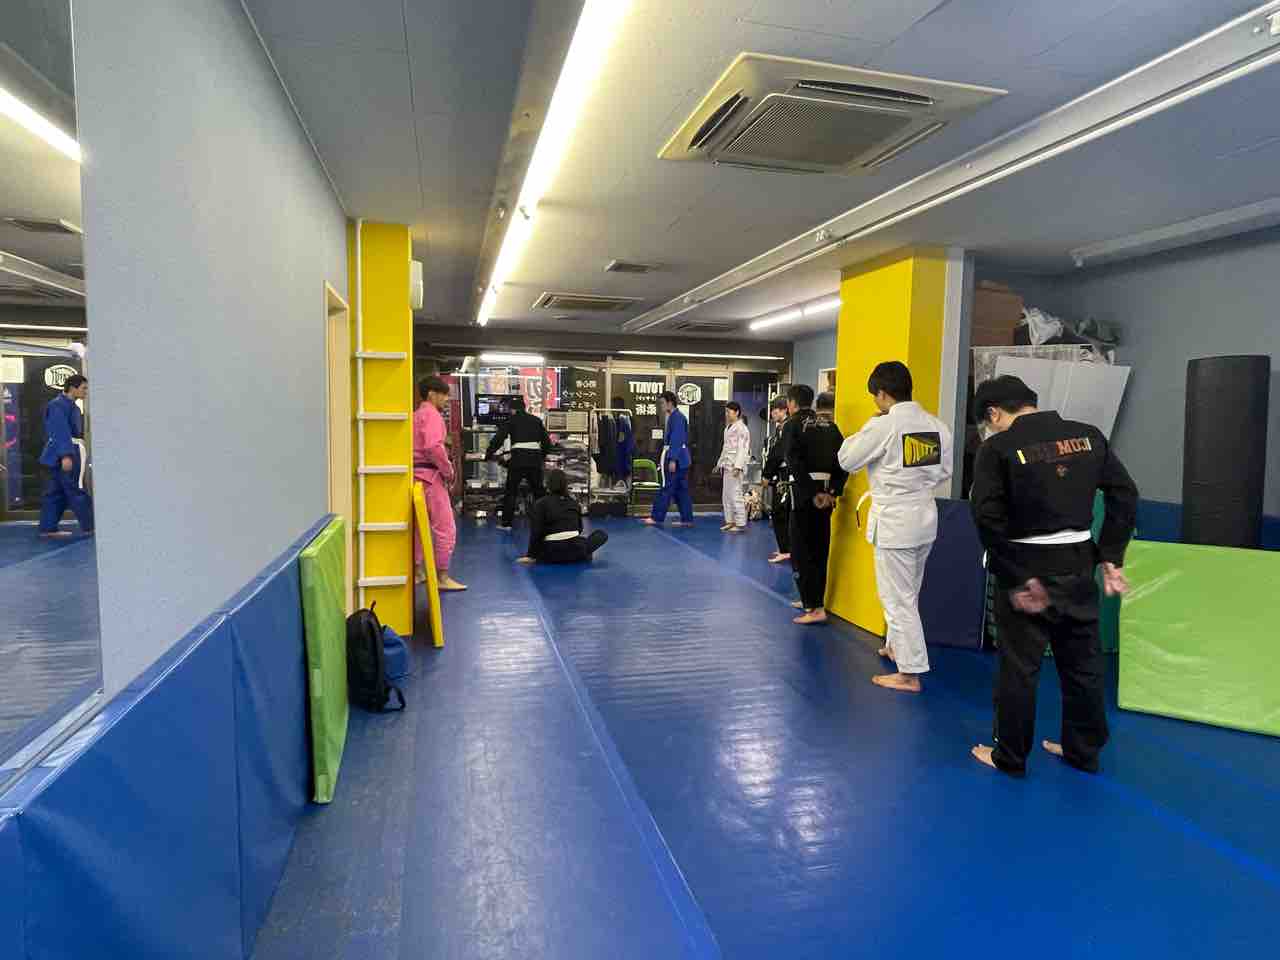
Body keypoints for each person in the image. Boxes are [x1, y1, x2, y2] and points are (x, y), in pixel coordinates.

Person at [968, 375, 1138, 777]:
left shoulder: (997, 448)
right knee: (1083, 664)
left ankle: (1010, 757)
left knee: (1019, 667)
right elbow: (1125, 494)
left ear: (994, 413)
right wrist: (1110, 555)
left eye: (987, 422)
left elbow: (987, 517)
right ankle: (1083, 751)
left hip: (1027, 567)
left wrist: (1017, 575)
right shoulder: (1088, 437)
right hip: (1078, 565)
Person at [837, 361, 953, 694]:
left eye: (875, 396)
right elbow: (944, 471)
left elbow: (847, 459)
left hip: (895, 521)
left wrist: (871, 424)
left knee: (897, 598)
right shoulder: (935, 426)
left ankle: (909, 673)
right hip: (924, 517)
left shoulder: (885, 425)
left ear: (883, 394)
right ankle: (896, 647)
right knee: (908, 592)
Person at [788, 388, 847, 625]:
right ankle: (812, 600)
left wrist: (812, 493)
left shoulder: (794, 425)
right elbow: (844, 460)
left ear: (792, 403)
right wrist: (832, 491)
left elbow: (793, 462)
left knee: (801, 549)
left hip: (805, 494)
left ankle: (812, 606)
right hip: (826, 494)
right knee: (819, 548)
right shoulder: (830, 426)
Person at [414, 376, 466, 591]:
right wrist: (449, 471)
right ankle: (442, 576)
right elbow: (433, 447)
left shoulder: (415, 416)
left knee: (418, 528)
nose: (446, 399)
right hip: (432, 478)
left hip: (415, 477)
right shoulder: (433, 416)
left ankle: (417, 571)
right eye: (444, 395)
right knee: (446, 528)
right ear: (431, 394)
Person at [37, 373, 94, 538]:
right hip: (68, 451)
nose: (86, 392)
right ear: (72, 388)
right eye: (83, 388)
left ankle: (48, 528)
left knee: (55, 492)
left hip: (64, 450)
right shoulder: (58, 405)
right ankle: (90, 526)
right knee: (76, 488)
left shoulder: (71, 406)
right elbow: (60, 431)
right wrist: (66, 455)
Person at [485, 395, 552, 530]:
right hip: (534, 460)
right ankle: (546, 522)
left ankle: (506, 524)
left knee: (511, 492)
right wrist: (542, 456)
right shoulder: (536, 420)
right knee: (539, 492)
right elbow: (546, 442)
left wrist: (489, 453)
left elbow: (499, 438)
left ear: (512, 410)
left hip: (518, 460)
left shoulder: (511, 420)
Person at [517, 469, 609, 565]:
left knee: (547, 546)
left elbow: (536, 532)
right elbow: (579, 529)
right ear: (565, 485)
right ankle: (582, 554)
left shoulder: (540, 503)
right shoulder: (574, 502)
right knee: (600, 534)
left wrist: (530, 555)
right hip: (576, 549)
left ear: (548, 484)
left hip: (550, 553)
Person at [642, 391, 694, 527]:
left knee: (666, 487)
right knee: (681, 490)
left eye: (662, 403)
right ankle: (687, 519)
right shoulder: (675, 417)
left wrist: (672, 459)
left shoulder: (677, 418)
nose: (661, 406)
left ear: (670, 403)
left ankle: (657, 517)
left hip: (676, 458)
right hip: (682, 459)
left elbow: (677, 439)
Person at [761, 396, 792, 564]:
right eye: (772, 411)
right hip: (783, 473)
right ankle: (785, 548)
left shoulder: (786, 428)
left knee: (780, 512)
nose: (773, 414)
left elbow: (777, 454)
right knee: (782, 512)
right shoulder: (782, 428)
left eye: (776, 410)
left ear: (785, 410)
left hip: (785, 474)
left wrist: (767, 474)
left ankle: (786, 549)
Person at [715, 401, 750, 533]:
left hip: (735, 466)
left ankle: (740, 523)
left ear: (737, 412)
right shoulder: (728, 428)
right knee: (726, 495)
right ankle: (730, 521)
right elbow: (725, 448)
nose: (727, 414)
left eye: (729, 412)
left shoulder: (742, 428)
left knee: (736, 494)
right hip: (727, 465)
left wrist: (738, 466)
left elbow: (743, 449)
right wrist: (719, 463)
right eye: (726, 411)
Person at [613, 397, 634, 491]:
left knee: (624, 473)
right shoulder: (622, 420)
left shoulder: (623, 421)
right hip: (624, 453)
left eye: (614, 405)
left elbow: (623, 439)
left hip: (623, 453)